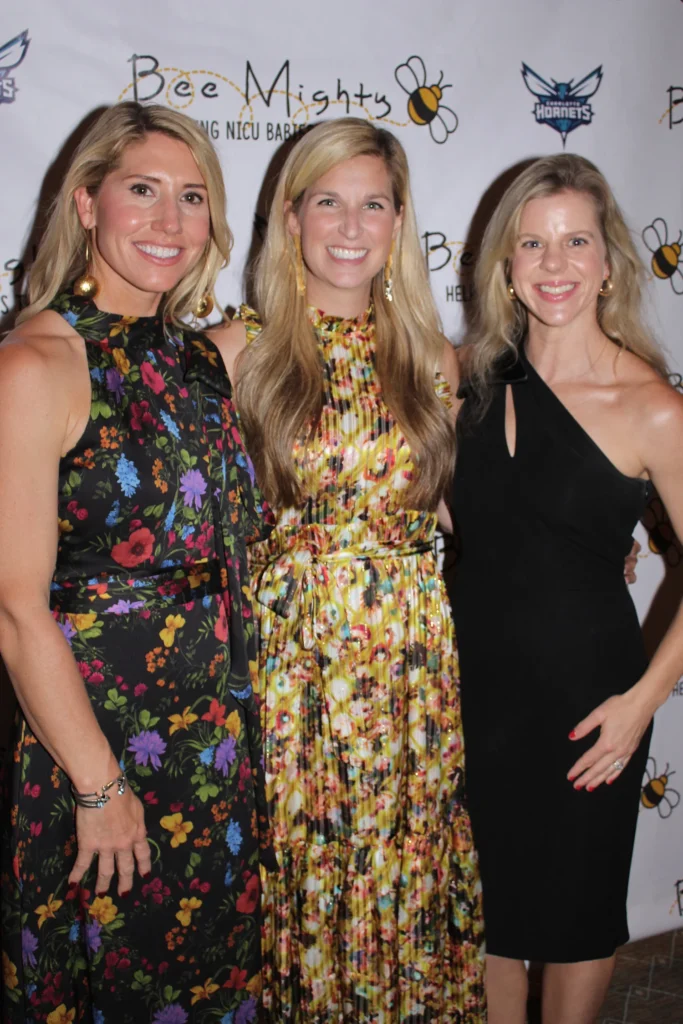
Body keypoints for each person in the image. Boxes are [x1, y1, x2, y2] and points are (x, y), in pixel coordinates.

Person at [0, 102, 273, 1024]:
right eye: (142, 191)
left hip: (218, 741)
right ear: (86, 204)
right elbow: (15, 609)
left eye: (192, 197)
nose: (170, 221)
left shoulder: (199, 362)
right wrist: (100, 785)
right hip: (102, 746)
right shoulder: (36, 365)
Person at [210, 118, 486, 1022]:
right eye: (327, 201)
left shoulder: (431, 358)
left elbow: (465, 514)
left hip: (410, 665)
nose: (351, 225)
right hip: (293, 669)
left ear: (399, 221)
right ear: (290, 218)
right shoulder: (235, 351)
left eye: (373, 204)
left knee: (410, 866)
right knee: (306, 872)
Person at [449, 154, 683, 1024]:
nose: (554, 264)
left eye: (575, 242)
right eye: (532, 244)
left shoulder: (650, 406)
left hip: (590, 703)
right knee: (487, 915)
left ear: (608, 261)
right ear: (505, 266)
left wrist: (637, 705)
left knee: (576, 914)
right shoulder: (461, 382)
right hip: (468, 690)